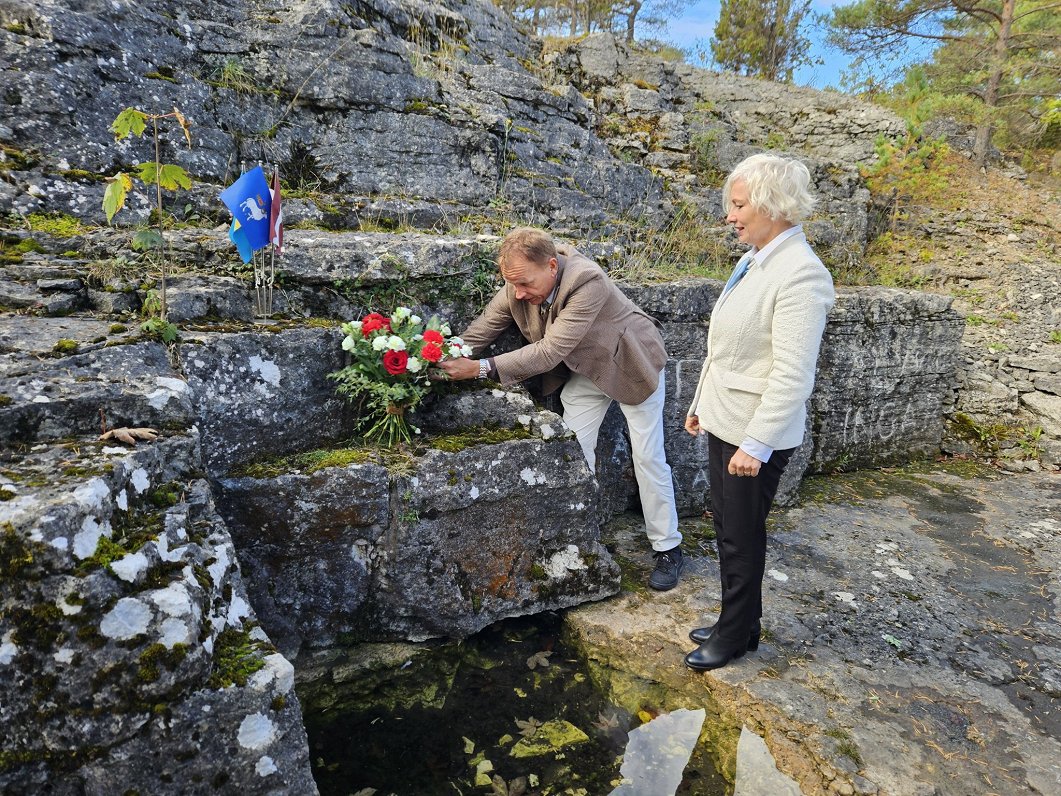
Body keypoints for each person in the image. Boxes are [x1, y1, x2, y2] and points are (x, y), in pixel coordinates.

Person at [438, 227, 684, 590]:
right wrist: (432, 357)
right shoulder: (517, 285)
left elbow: (550, 351)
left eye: (524, 284)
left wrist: (479, 369)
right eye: (512, 285)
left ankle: (669, 548)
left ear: (552, 266)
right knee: (573, 452)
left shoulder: (588, 281)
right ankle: (578, 537)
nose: (518, 294)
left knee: (648, 457)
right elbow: (479, 333)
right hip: (586, 371)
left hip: (632, 364)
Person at [683, 153, 835, 671]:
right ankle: (741, 623)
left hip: (755, 430)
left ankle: (732, 636)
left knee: (741, 533)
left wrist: (757, 442)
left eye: (739, 204)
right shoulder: (755, 259)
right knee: (728, 523)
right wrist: (703, 403)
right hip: (727, 415)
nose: (730, 215)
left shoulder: (801, 275)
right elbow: (729, 347)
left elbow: (793, 373)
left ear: (773, 205)